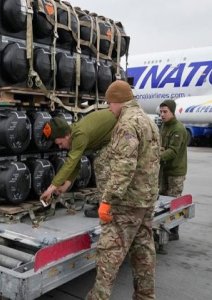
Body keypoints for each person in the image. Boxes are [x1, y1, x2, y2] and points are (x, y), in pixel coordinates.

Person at [86, 80, 160, 300]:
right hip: (146, 199)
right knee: (144, 251)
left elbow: (124, 166)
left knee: (109, 253)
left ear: (118, 101)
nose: (109, 108)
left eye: (110, 103)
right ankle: (145, 296)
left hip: (126, 202)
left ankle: (98, 297)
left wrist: (107, 199)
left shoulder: (127, 124)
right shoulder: (149, 121)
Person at [39, 109, 117, 217]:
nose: (60, 147)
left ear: (66, 136)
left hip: (120, 130)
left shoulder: (79, 134)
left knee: (101, 164)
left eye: (60, 143)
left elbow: (70, 163)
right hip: (112, 134)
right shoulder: (74, 134)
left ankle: (107, 208)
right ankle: (105, 204)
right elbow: (76, 163)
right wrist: (65, 186)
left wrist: (50, 189)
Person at [159, 99, 187, 242]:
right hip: (164, 170)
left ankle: (174, 231)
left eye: (165, 112)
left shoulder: (178, 129)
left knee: (174, 202)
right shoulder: (164, 126)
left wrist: (156, 156)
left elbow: (173, 151)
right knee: (163, 201)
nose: (162, 115)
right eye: (161, 111)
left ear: (172, 112)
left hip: (175, 172)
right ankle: (164, 229)